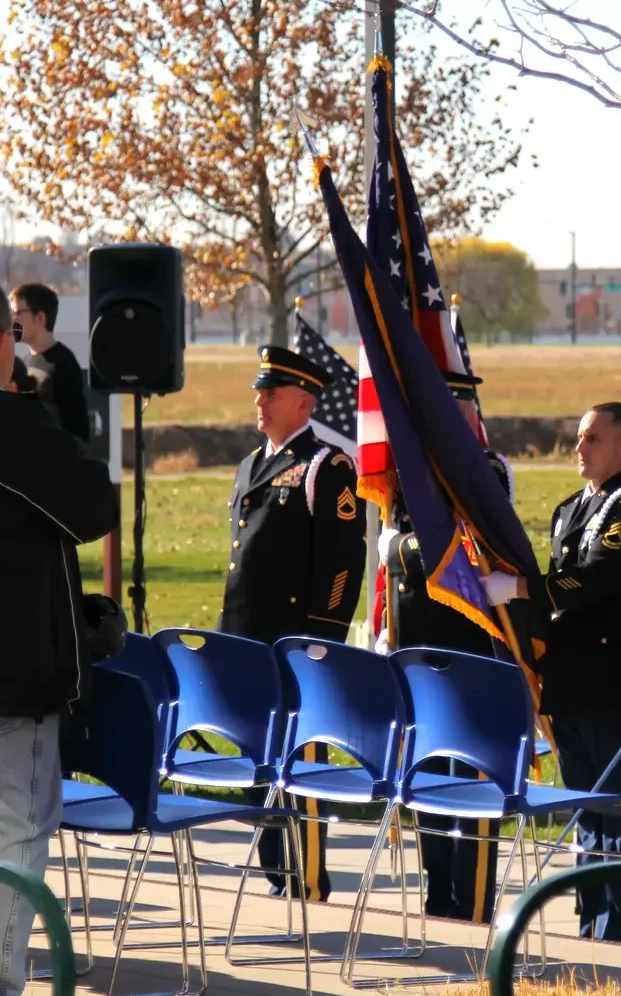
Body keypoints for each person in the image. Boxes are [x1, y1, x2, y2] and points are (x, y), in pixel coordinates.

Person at [0, 277, 118, 996]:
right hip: (5, 669)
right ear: (4, 344)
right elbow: (93, 504)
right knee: (13, 834)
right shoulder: (6, 424)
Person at [482, 401, 621, 944]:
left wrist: (518, 588)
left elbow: (594, 579)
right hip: (570, 683)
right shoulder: (568, 510)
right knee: (585, 811)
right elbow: (559, 594)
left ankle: (620, 932)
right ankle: (590, 922)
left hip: (615, 685)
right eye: (579, 437)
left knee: (620, 813)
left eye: (591, 439)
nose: (578, 448)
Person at [218, 345, 367, 901]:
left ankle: (306, 877)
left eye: (272, 393)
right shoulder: (251, 463)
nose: (259, 400)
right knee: (259, 762)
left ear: (303, 402)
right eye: (260, 391)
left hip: (294, 645)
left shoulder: (328, 467)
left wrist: (318, 640)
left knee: (299, 761)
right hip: (246, 640)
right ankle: (275, 873)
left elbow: (342, 564)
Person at [375, 374, 511, 923]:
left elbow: (462, 549)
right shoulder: (409, 474)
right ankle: (438, 892)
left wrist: (400, 547)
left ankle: (473, 900)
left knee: (471, 778)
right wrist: (387, 622)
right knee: (427, 777)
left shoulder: (485, 470)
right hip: (418, 652)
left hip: (467, 650)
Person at [9, 283, 90, 442]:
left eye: (18, 313)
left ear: (40, 318)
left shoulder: (63, 364)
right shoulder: (26, 361)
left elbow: (78, 431)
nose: (13, 320)